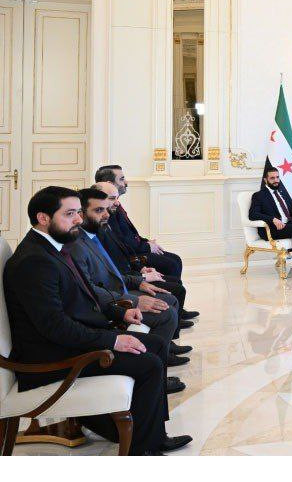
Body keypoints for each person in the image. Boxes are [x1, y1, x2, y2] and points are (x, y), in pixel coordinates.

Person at [2, 186, 191, 455]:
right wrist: (113, 340)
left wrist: (120, 313)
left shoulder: (53, 247)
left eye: (79, 212)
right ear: (43, 218)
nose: (79, 219)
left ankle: (152, 436)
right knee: (148, 363)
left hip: (66, 342)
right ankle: (142, 450)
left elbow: (83, 294)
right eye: (69, 214)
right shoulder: (34, 261)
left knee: (157, 345)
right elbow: (55, 327)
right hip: (49, 357)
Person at [69, 187, 192, 372]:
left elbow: (112, 272)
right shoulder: (77, 244)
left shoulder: (91, 236)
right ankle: (159, 364)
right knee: (166, 311)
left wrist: (138, 281)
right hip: (111, 301)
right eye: (99, 210)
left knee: (170, 298)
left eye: (106, 209)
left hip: (120, 289)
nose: (106, 214)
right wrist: (133, 300)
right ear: (81, 214)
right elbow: (89, 289)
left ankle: (163, 354)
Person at [94, 181, 194, 330]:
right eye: (111, 199)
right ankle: (173, 327)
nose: (116, 203)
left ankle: (175, 324)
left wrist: (141, 268)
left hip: (130, 271)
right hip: (122, 284)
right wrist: (141, 277)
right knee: (174, 289)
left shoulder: (105, 222)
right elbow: (109, 273)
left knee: (174, 273)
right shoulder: (95, 231)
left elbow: (125, 247)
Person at [95, 165, 184, 280]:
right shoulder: (107, 210)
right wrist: (147, 247)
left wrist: (146, 242)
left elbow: (130, 234)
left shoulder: (115, 205)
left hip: (136, 251)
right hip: (132, 256)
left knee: (175, 259)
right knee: (171, 264)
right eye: (122, 179)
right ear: (110, 183)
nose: (126, 182)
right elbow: (121, 241)